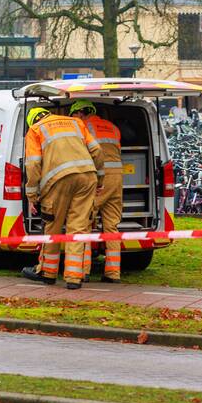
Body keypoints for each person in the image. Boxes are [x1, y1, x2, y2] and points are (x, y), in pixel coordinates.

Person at [21, 106, 105, 289]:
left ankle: (47, 273)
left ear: (33, 120)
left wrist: (32, 195)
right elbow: (97, 151)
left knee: (53, 226)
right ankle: (74, 278)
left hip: (57, 181)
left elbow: (33, 165)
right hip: (87, 177)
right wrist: (99, 181)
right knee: (78, 228)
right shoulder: (76, 122)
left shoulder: (35, 130)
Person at [70, 100, 123, 282]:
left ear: (80, 113)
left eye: (74, 115)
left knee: (83, 222)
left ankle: (82, 271)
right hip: (117, 178)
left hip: (100, 177)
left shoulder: (84, 127)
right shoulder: (112, 127)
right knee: (111, 226)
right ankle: (113, 273)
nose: (73, 119)